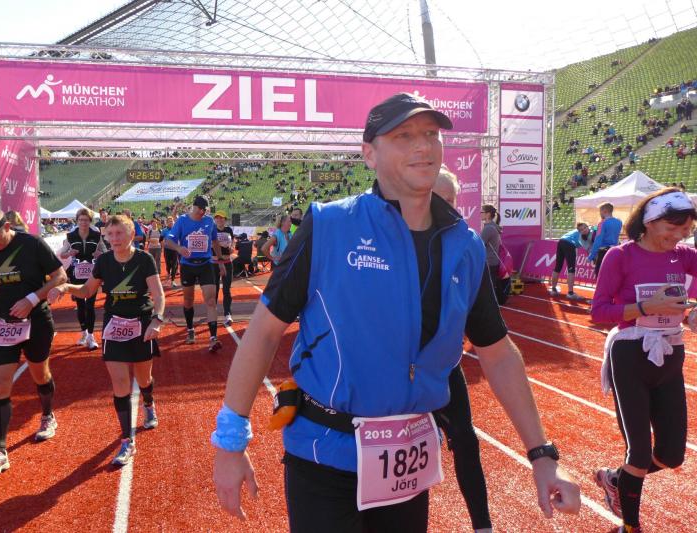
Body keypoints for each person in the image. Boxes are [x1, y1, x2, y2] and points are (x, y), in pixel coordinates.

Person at [212, 92, 580, 531]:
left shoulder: (464, 246)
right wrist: (230, 442)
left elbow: (498, 352)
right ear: (369, 153)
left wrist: (541, 454)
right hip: (323, 455)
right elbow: (264, 332)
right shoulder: (329, 225)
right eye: (403, 136)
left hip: (408, 464)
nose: (422, 145)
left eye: (430, 133)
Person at [591, 188, 695, 533]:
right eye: (673, 228)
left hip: (670, 354)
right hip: (631, 354)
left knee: (672, 454)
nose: (678, 236)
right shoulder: (620, 256)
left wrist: (692, 314)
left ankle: (615, 480)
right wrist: (647, 307)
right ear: (650, 222)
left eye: (686, 230)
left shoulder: (685, 256)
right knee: (638, 452)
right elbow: (599, 311)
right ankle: (630, 526)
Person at [48, 214, 164, 466]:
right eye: (110, 235)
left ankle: (149, 403)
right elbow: (87, 290)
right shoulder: (103, 261)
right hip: (114, 326)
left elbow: (158, 294)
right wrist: (65, 287)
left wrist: (157, 320)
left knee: (144, 379)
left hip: (142, 324)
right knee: (120, 383)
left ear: (131, 234)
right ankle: (127, 441)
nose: (115, 239)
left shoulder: (144, 259)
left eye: (119, 233)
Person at [0, 207, 67, 476]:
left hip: (36, 321)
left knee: (40, 373)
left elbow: (60, 276)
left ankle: (47, 415)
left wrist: (32, 299)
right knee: (0, 383)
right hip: (2, 323)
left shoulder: (32, 244)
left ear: (6, 227)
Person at [433, 168, 494, 531]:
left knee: (466, 441)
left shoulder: (466, 246)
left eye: (452, 200)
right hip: (395, 374)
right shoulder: (390, 244)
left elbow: (492, 339)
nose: (448, 206)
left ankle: (482, 525)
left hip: (444, 369)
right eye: (439, 198)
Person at [164, 196, 226, 352]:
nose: (203, 213)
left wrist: (220, 261)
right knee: (188, 300)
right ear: (195, 207)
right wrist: (179, 248)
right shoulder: (182, 221)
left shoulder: (209, 221)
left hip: (206, 265)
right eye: (201, 210)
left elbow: (215, 242)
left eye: (205, 210)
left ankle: (213, 338)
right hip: (188, 266)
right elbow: (168, 241)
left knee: (211, 301)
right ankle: (190, 329)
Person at [59, 208, 105, 350]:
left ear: (90, 221)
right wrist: (69, 253)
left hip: (92, 274)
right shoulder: (70, 236)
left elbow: (105, 251)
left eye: (85, 220)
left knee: (90, 305)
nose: (83, 223)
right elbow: (62, 254)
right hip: (76, 274)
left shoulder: (96, 235)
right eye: (80, 220)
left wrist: (100, 253)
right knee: (80, 304)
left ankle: (91, 336)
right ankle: (84, 332)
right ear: (77, 221)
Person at [549, 222, 592, 300]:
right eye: (582, 229)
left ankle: (553, 289)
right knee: (571, 269)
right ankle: (570, 293)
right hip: (569, 244)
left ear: (588, 226)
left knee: (558, 266)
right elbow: (588, 248)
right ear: (579, 230)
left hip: (561, 241)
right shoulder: (589, 233)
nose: (584, 230)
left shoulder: (588, 231)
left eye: (585, 228)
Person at [480, 205, 509, 305]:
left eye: (482, 212)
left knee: (489, 284)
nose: (480, 214)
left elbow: (480, 244)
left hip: (489, 261)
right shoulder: (492, 227)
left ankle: (493, 302)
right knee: (493, 282)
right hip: (493, 260)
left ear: (488, 214)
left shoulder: (488, 229)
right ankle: (501, 299)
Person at [588, 202, 622, 277]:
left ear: (604, 211)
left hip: (604, 252)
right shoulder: (619, 222)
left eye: (600, 211)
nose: (600, 214)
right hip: (615, 251)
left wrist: (591, 256)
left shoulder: (602, 223)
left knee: (599, 275)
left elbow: (598, 240)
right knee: (612, 276)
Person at [213, 211, 235, 325]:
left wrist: (232, 247)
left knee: (226, 290)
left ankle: (227, 314)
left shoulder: (229, 230)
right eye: (217, 218)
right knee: (215, 289)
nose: (219, 220)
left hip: (227, 262)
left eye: (222, 218)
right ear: (215, 220)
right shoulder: (212, 230)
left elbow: (233, 242)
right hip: (214, 263)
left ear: (225, 220)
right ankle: (213, 312)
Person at [162, 216, 179, 287]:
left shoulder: (176, 229)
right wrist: (164, 245)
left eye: (172, 221)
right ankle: (168, 273)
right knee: (168, 264)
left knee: (174, 265)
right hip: (167, 250)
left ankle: (172, 280)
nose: (171, 222)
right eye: (169, 221)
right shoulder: (164, 230)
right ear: (167, 222)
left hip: (175, 249)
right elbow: (161, 239)